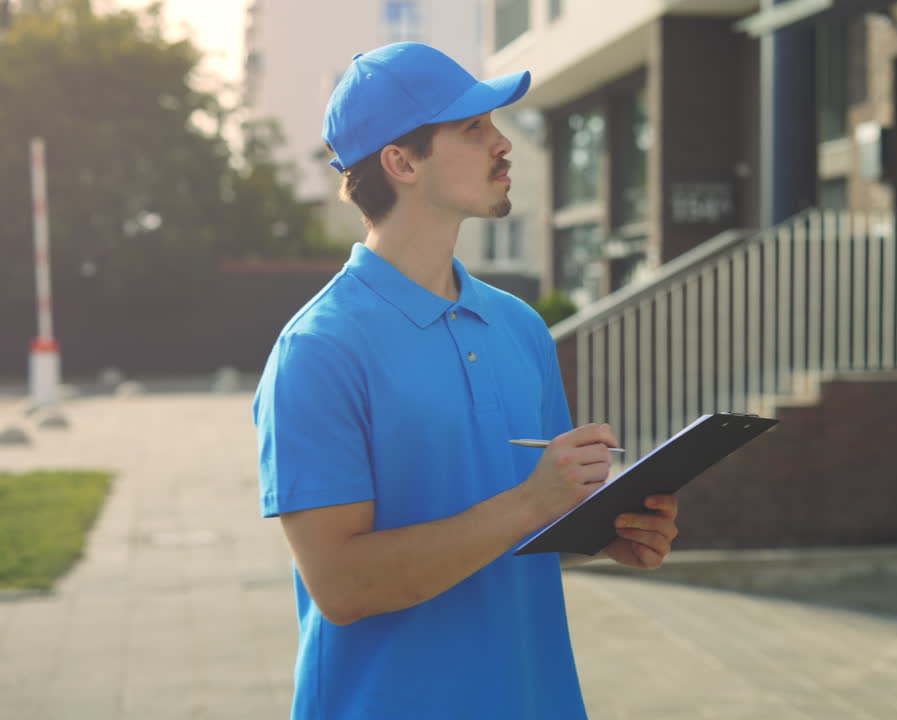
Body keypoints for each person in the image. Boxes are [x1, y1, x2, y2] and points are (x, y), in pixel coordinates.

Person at [253, 42, 680, 719]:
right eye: (472, 127)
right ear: (402, 162)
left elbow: (520, 532)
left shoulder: (519, 328)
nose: (502, 143)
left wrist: (599, 531)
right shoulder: (320, 349)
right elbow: (342, 584)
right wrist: (531, 504)